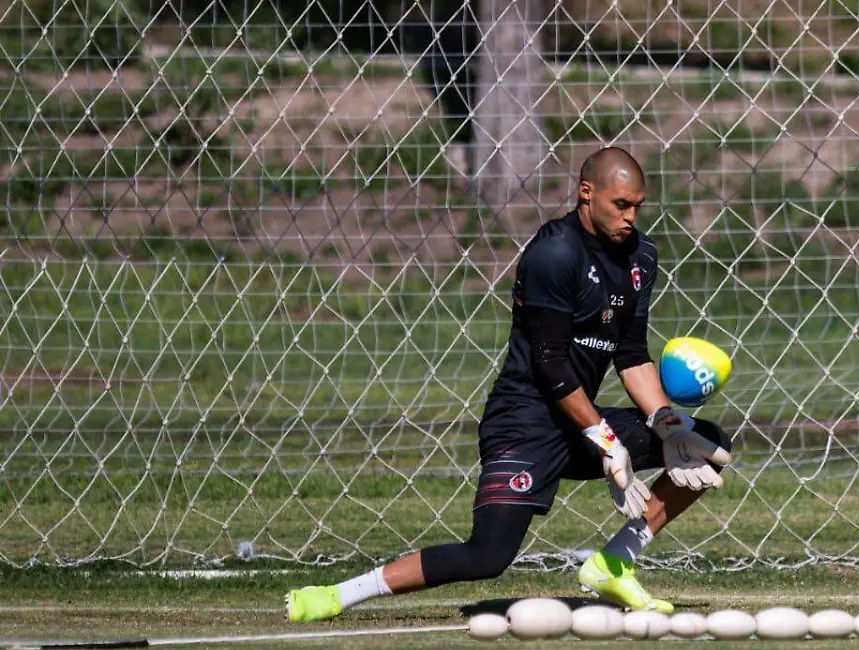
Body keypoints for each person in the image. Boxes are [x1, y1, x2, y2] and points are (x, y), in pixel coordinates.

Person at [285, 147, 734, 622]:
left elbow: (631, 354)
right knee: (488, 555)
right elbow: (550, 367)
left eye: (637, 206)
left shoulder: (642, 256)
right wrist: (607, 442)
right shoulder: (554, 253)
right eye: (620, 204)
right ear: (586, 193)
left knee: (706, 442)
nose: (630, 217)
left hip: (580, 421)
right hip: (525, 420)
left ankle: (613, 563)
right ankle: (336, 594)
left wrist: (667, 425)